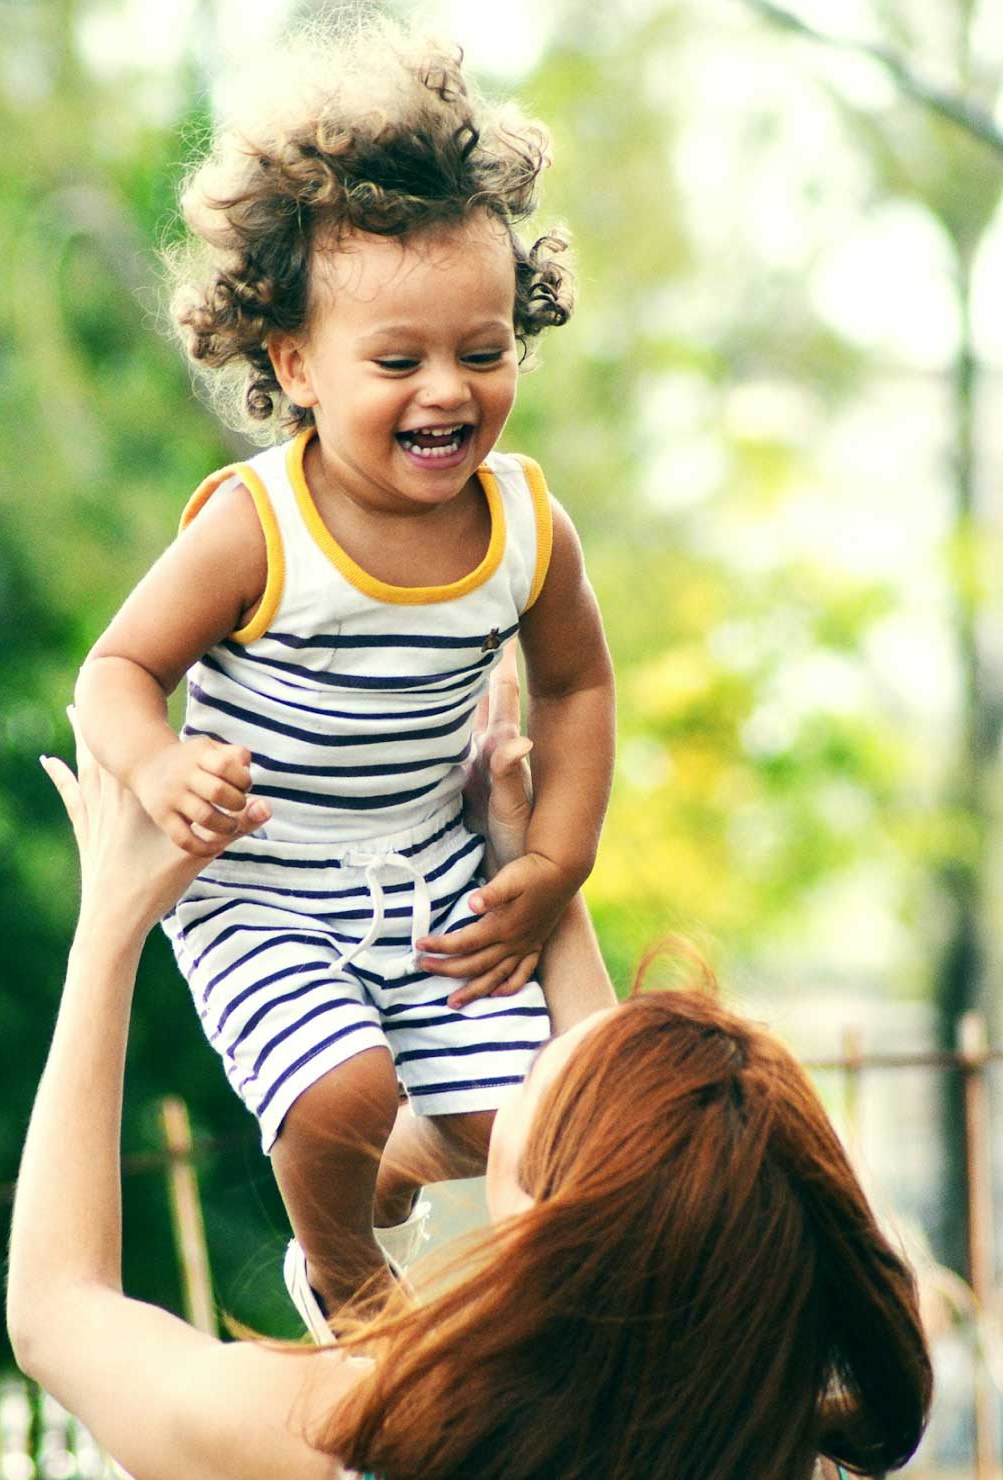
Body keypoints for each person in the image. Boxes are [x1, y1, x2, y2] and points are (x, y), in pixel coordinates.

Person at [10, 688, 931, 1480]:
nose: (533, 1050)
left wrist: (110, 927)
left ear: (544, 1227)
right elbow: (625, 1162)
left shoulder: (353, 1450)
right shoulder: (795, 1467)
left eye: (534, 1077)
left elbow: (60, 1314)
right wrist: (528, 867)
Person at [71, 20, 616, 1336]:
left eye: (482, 352)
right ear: (295, 366)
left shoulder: (527, 526)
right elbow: (115, 670)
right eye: (398, 362)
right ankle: (346, 1281)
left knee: (523, 1131)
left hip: (428, 871)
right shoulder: (258, 529)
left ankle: (389, 1169)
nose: (447, 391)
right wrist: (158, 764)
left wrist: (552, 863)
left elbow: (580, 691)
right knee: (337, 1092)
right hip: (262, 883)